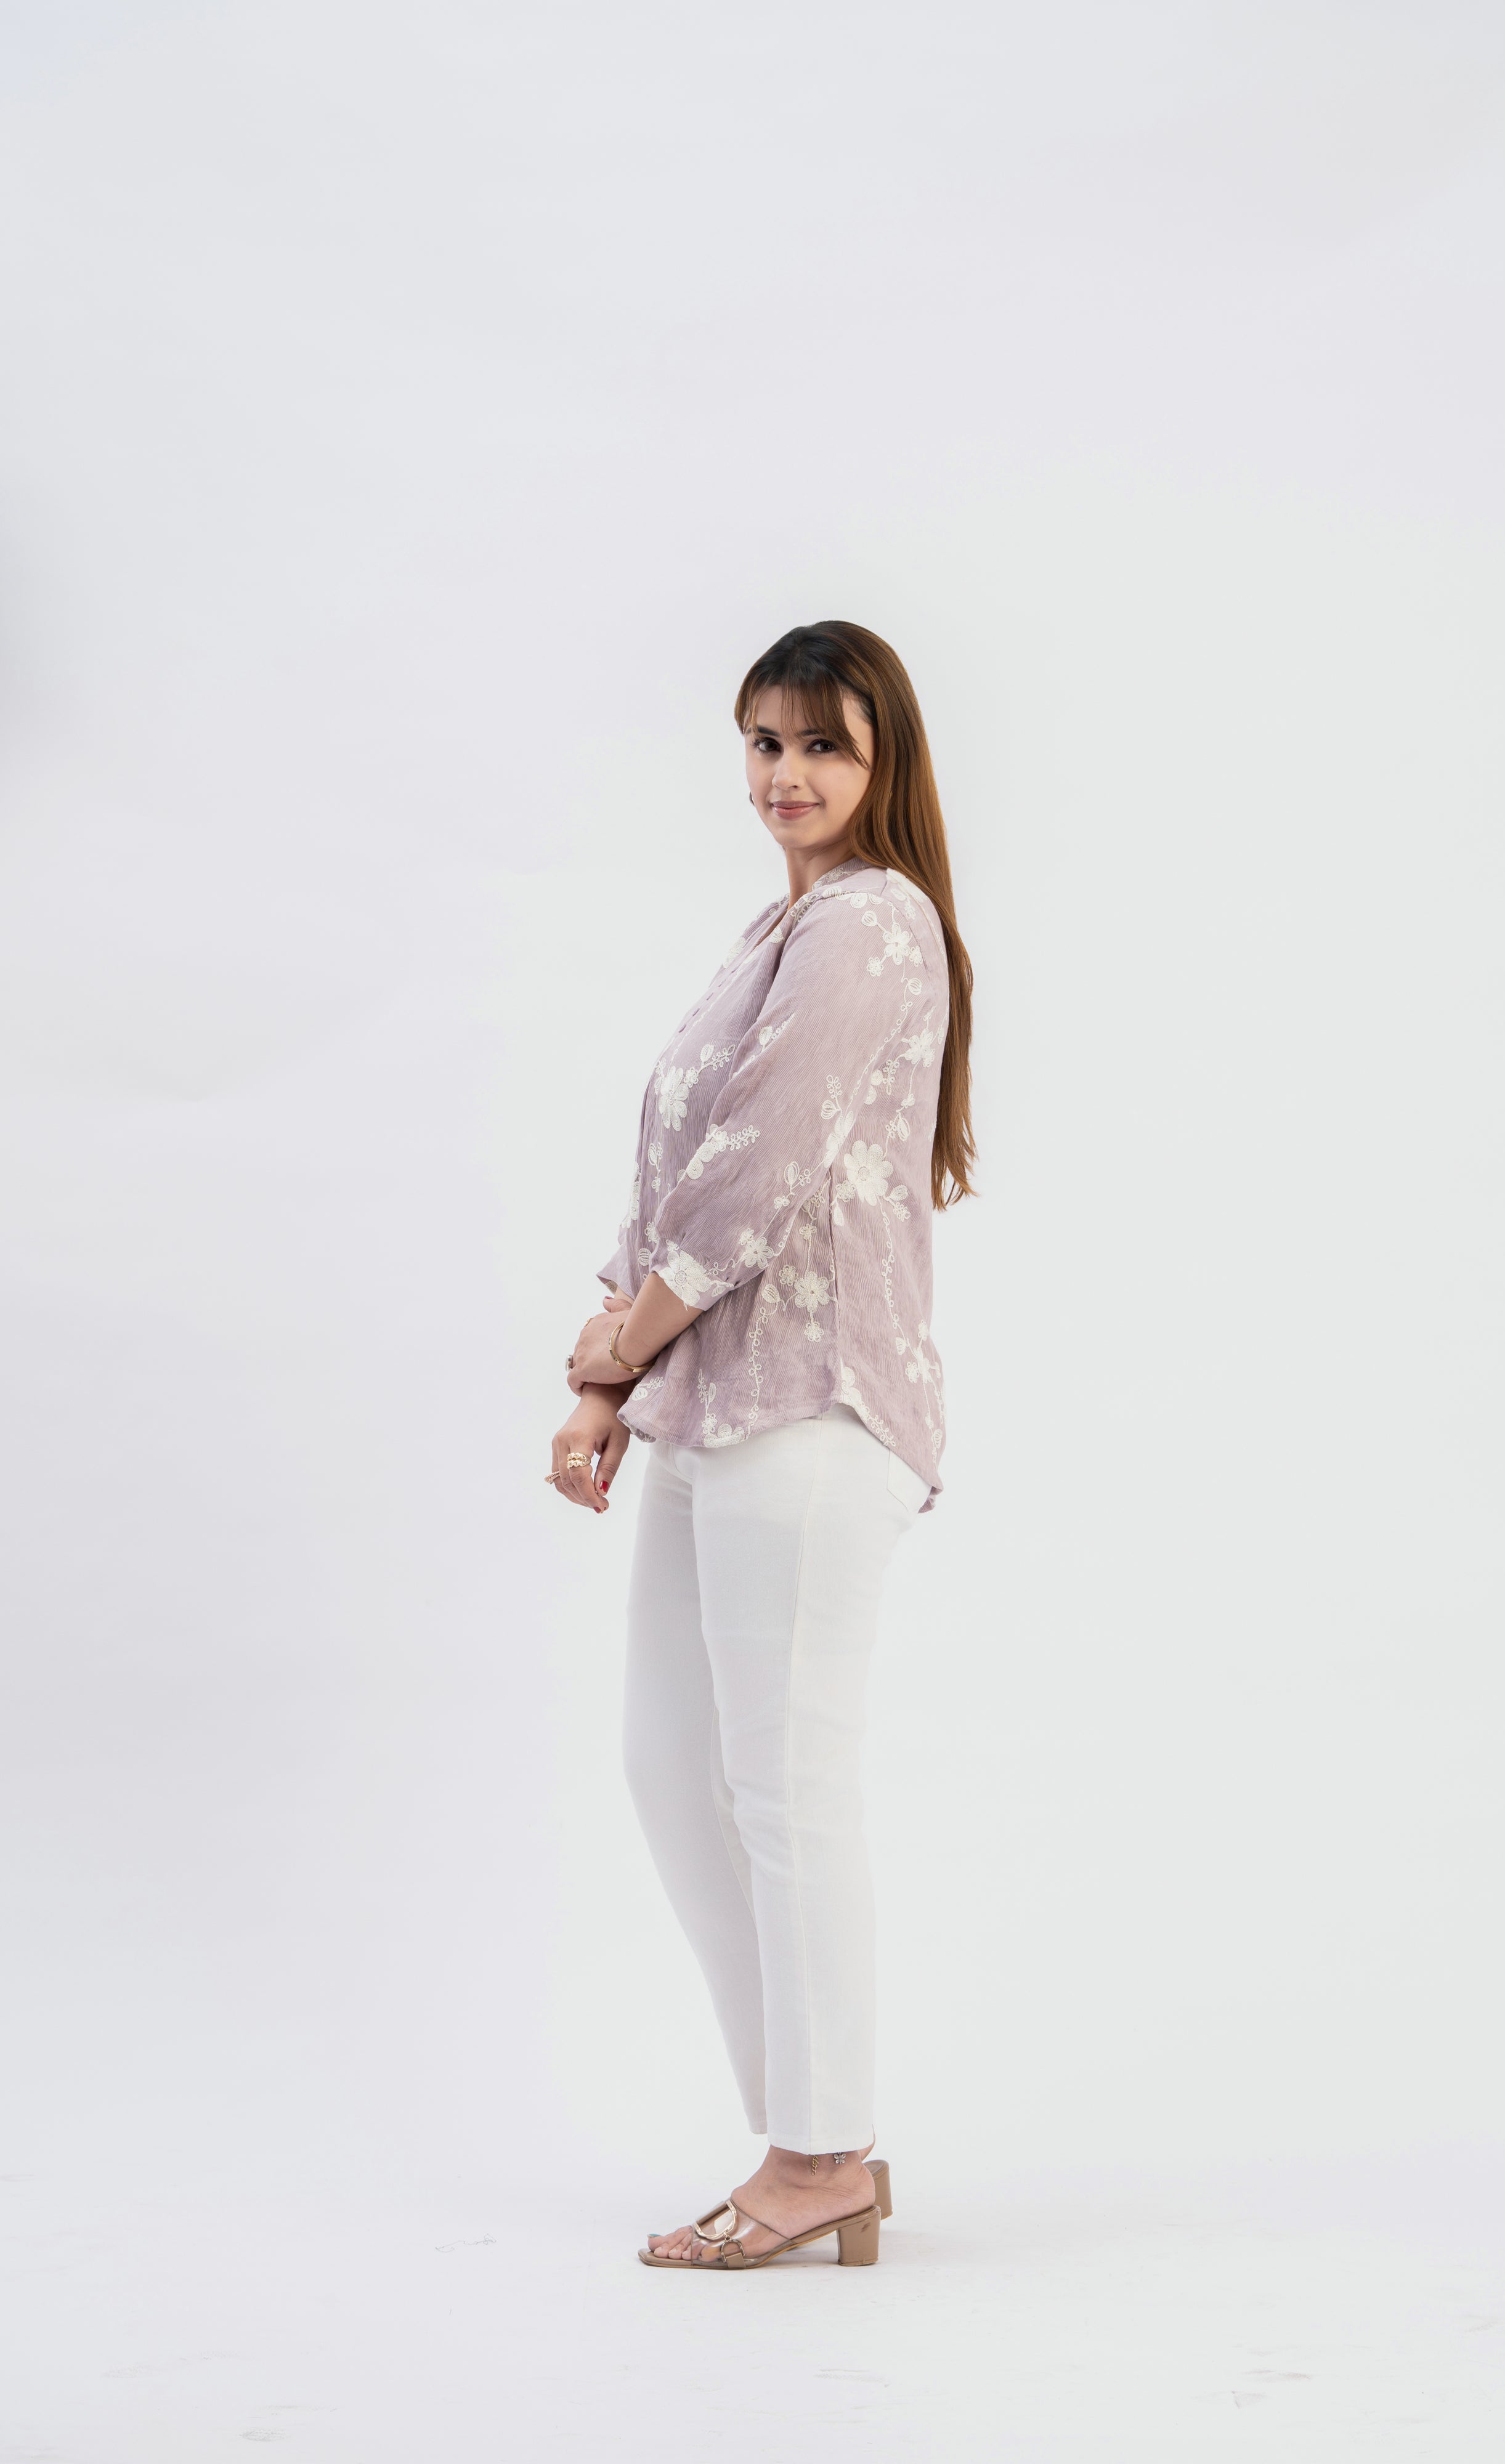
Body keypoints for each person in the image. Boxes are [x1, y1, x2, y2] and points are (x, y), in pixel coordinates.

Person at [548, 620, 975, 2271]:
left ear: (882, 764)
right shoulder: (776, 933)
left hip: (811, 1401)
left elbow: (758, 1172)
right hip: (713, 1396)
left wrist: (619, 1345)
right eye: (764, 743)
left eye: (822, 747)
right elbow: (678, 1169)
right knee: (674, 1764)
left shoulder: (872, 924)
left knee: (786, 1784)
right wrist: (610, 1376)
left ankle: (818, 2154)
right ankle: (810, 2127)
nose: (785, 775)